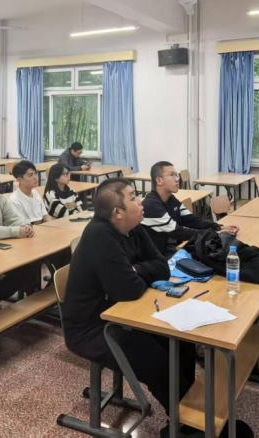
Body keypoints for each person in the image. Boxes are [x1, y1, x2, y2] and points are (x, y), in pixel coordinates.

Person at [62, 179, 201, 438]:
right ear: (118, 212)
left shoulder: (133, 226)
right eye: (134, 197)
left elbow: (162, 266)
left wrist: (135, 269)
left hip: (122, 313)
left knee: (181, 340)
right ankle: (186, 423)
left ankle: (189, 414)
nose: (141, 201)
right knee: (158, 360)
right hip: (91, 328)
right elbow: (130, 290)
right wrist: (136, 275)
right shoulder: (100, 235)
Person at [142, 161, 238, 258]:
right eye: (172, 175)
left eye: (176, 175)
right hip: (157, 258)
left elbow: (192, 220)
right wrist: (213, 234)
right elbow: (178, 232)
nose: (177, 179)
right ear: (159, 180)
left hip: (172, 250)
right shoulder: (151, 205)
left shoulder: (171, 199)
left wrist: (217, 227)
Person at [10, 160, 53, 225]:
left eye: (35, 174)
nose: (35, 178)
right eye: (30, 175)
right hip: (29, 229)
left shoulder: (35, 193)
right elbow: (22, 225)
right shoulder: (15, 200)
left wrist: (52, 225)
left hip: (43, 227)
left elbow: (45, 215)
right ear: (20, 180)